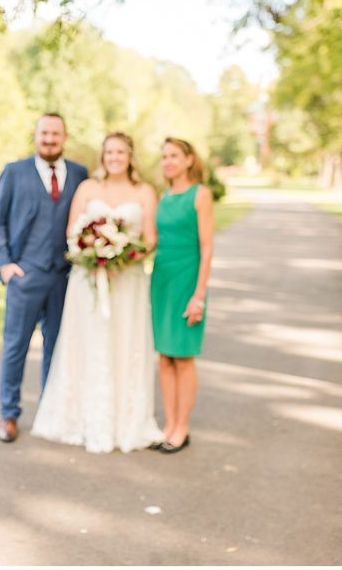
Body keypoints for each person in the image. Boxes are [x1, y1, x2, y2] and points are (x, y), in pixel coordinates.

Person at [31, 133, 165, 453]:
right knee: (86, 342)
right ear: (103, 156)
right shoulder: (88, 188)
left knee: (125, 342)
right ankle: (80, 417)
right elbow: (72, 231)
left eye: (120, 152)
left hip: (127, 283)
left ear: (130, 156)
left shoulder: (144, 191)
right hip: (88, 280)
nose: (114, 157)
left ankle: (126, 421)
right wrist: (94, 254)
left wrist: (122, 258)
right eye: (109, 152)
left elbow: (149, 239)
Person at [0, 113, 89, 443]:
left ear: (65, 137)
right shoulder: (14, 172)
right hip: (25, 275)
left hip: (65, 277)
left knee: (58, 347)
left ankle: (51, 410)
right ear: (36, 136)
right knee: (16, 346)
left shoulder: (79, 174)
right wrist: (5, 265)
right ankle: (9, 414)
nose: (49, 139)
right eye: (44, 133)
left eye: (55, 133)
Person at [150, 137, 215, 454]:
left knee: (183, 357)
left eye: (174, 156)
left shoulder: (200, 195)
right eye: (164, 156)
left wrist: (199, 294)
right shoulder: (162, 197)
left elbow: (207, 248)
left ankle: (182, 428)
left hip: (188, 281)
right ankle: (169, 424)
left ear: (190, 159)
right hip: (161, 281)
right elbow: (153, 241)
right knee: (164, 356)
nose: (168, 162)